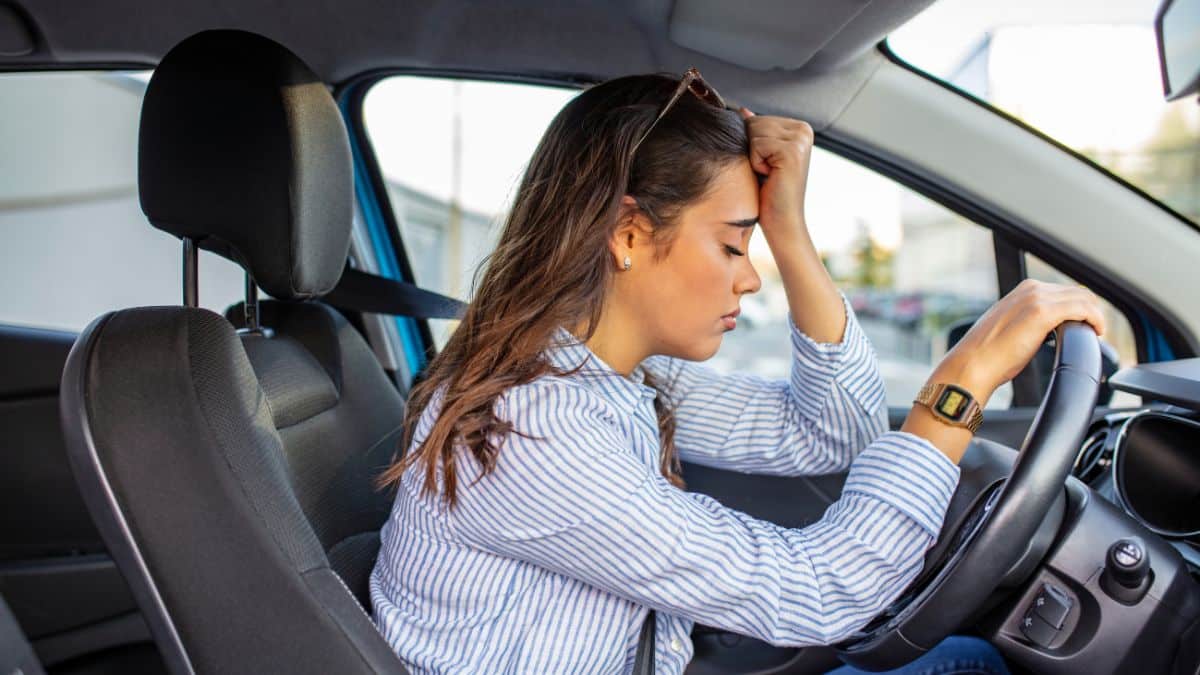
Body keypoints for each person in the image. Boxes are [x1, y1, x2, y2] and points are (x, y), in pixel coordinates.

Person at [368, 69, 1106, 674]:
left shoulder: (612, 375)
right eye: (731, 246)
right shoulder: (535, 430)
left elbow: (835, 432)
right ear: (627, 233)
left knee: (972, 661)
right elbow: (816, 591)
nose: (750, 279)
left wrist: (789, 229)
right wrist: (964, 379)